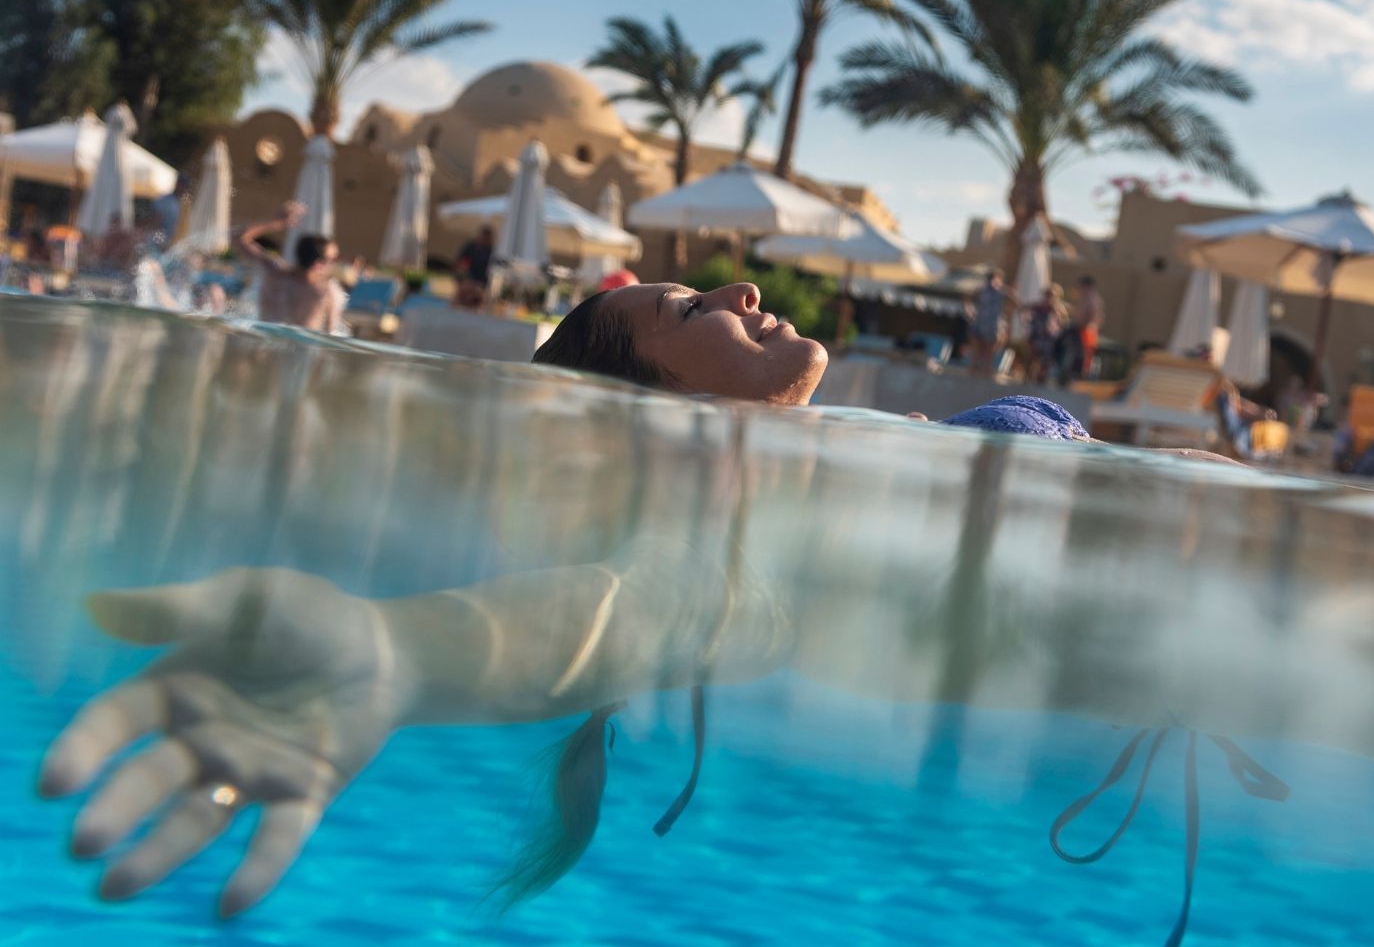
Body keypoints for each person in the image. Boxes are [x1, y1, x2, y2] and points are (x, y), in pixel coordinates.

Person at [39, 281, 1252, 920]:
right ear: (659, 403)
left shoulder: (852, 453)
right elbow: (645, 612)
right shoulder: (752, 543)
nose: (736, 289)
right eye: (685, 314)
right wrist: (397, 654)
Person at [236, 202, 338, 332]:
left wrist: (274, 223)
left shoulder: (274, 271)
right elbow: (330, 336)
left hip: (262, 345)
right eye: (333, 259)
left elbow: (239, 237)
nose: (335, 264)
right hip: (300, 349)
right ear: (318, 264)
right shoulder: (326, 293)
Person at [964, 269, 1009, 378]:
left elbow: (1016, 302)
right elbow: (967, 299)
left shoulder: (1002, 291)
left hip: (993, 325)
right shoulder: (982, 290)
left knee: (989, 354)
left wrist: (1006, 313)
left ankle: (985, 376)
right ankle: (972, 375)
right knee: (976, 353)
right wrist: (970, 311)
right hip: (981, 322)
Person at [1060, 275, 1105, 380]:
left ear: (1086, 286)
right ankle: (1071, 373)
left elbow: (1094, 315)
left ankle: (1078, 375)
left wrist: (1085, 324)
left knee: (1082, 354)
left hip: (1085, 329)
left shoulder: (1092, 298)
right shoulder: (1085, 297)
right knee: (1074, 352)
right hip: (1080, 328)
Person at [1023, 284, 1069, 384]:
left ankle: (1040, 381)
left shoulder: (1058, 309)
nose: (1048, 297)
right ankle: (1027, 380)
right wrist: (1026, 323)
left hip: (1050, 339)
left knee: (1046, 362)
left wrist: (1058, 327)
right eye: (1047, 295)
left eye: (1051, 295)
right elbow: (1024, 309)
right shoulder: (1038, 306)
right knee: (1033, 358)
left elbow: (1064, 322)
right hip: (1037, 336)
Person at [453, 226, 494, 310]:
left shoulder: (491, 251)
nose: (485, 240)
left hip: (483, 285)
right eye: (484, 237)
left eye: (488, 238)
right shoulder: (471, 247)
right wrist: (466, 281)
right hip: (467, 281)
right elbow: (461, 265)